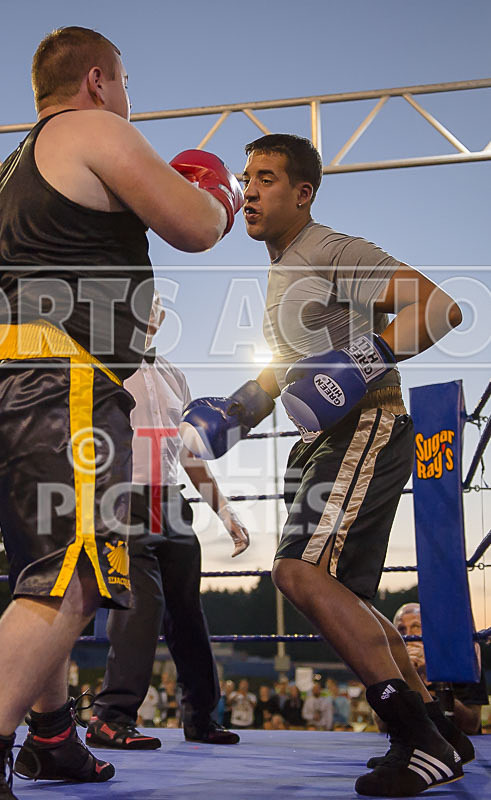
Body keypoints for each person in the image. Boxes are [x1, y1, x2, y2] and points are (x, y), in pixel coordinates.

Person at [0, 26, 242, 800]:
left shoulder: (4, 175)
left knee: (45, 570)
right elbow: (197, 229)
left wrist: (14, 332)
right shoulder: (96, 128)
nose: (130, 98)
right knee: (72, 573)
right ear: (98, 79)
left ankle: (51, 738)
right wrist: (219, 194)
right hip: (59, 383)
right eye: (128, 82)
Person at [180, 133, 471, 796]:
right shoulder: (284, 269)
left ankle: (417, 738)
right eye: (245, 178)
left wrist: (357, 364)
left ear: (302, 192)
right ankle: (434, 729)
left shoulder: (331, 249)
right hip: (329, 437)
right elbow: (293, 369)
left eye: (266, 178)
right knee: (348, 597)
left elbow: (436, 307)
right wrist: (239, 410)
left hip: (363, 424)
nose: (248, 191)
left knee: (298, 571)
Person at [87, 292, 245, 749]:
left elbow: (191, 454)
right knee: (140, 606)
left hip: (172, 503)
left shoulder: (175, 374)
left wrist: (225, 510)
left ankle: (202, 717)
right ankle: (110, 717)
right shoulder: (101, 364)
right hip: (120, 501)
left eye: (156, 304)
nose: (149, 312)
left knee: (187, 613)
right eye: (141, 302)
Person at [387, 603, 488, 736]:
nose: (409, 634)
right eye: (401, 629)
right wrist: (405, 676)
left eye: (416, 627)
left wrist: (433, 685)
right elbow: (382, 724)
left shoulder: (463, 661)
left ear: (430, 630)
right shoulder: (391, 662)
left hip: (458, 746)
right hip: (410, 744)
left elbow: (471, 725)